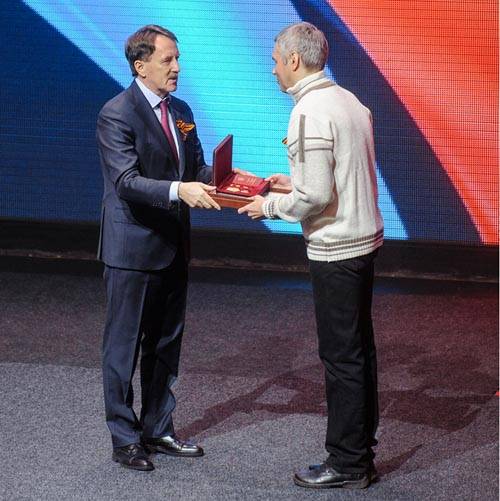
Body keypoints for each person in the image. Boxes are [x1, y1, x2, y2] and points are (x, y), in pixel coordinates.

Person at [239, 22, 384, 489]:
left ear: (294, 60)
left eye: (276, 61)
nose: (273, 70)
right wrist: (293, 183)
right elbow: (336, 174)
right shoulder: (348, 101)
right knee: (358, 351)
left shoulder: (308, 111)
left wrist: (269, 206)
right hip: (363, 242)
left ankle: (347, 461)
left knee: (341, 357)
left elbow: (316, 197)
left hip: (335, 249)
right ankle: (360, 450)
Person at [96, 24, 221, 471]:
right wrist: (178, 190)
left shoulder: (180, 110)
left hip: (172, 245)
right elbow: (126, 182)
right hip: (131, 250)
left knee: (166, 344)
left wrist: (234, 180)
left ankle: (158, 428)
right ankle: (124, 438)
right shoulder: (117, 113)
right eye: (168, 59)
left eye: (177, 58)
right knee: (124, 348)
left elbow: (196, 169)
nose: (177, 67)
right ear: (140, 65)